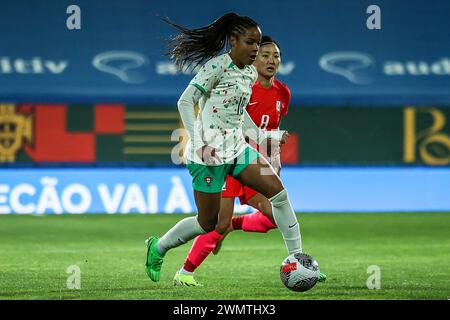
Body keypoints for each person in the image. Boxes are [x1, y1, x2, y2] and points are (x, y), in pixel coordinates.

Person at [145, 13, 307, 285]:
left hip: (237, 149)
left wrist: (266, 136)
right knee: (208, 223)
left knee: (279, 195)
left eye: (258, 43)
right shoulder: (216, 67)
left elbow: (239, 114)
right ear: (233, 41)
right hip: (207, 156)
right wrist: (199, 143)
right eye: (250, 42)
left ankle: (298, 261)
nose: (256, 49)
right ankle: (158, 247)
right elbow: (185, 102)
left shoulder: (247, 72)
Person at [172, 36, 327, 286]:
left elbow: (269, 130)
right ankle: (185, 272)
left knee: (272, 214)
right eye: (264, 55)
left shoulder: (283, 93)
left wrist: (273, 157)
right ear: (253, 59)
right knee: (217, 223)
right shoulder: (242, 86)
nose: (270, 60)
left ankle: (299, 263)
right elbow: (236, 124)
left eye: (275, 55)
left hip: (255, 161)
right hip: (231, 157)